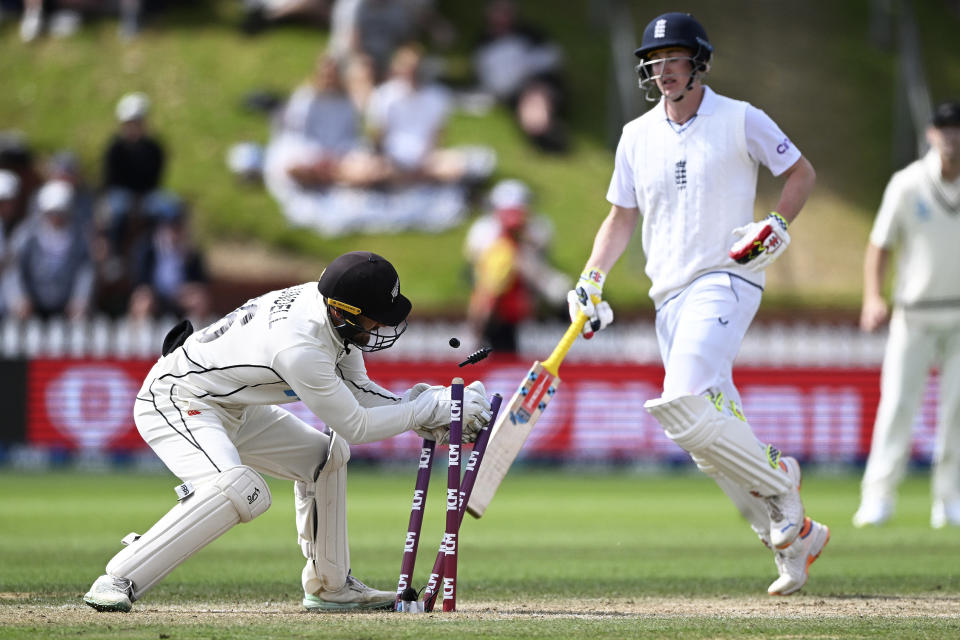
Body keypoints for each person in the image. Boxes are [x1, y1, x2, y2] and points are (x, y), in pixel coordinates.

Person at [565, 13, 822, 596]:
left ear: (698, 61)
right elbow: (620, 216)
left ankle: (782, 481)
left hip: (726, 278)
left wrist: (776, 222)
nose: (663, 70)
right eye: (655, 61)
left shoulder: (739, 118)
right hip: (668, 298)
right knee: (705, 441)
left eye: (674, 58)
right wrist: (592, 275)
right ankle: (794, 538)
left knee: (681, 398)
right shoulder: (636, 135)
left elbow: (801, 173)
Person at [82, 250, 492, 613]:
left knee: (325, 458)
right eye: (373, 318)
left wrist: (432, 410)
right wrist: (422, 409)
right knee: (242, 489)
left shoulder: (332, 314)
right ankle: (119, 577)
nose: (378, 327)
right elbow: (355, 424)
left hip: (234, 405)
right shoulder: (301, 346)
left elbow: (362, 394)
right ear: (343, 311)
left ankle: (331, 587)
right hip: (178, 399)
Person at [852, 100, 960, 529]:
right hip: (913, 314)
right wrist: (872, 299)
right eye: (943, 129)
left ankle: (949, 499)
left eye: (957, 129)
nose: (951, 137)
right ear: (931, 134)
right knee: (897, 406)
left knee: (956, 411)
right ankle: (878, 497)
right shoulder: (907, 184)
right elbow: (880, 245)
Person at [464, 179, 570, 352]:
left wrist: (520, 238)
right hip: (495, 287)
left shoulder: (537, 226)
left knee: (555, 288)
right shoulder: (483, 230)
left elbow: (541, 251)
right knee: (491, 284)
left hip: (526, 286)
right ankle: (475, 339)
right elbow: (478, 261)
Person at [4, 179, 95, 320]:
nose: (56, 217)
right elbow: (13, 269)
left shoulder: (79, 237)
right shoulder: (26, 235)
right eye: (52, 212)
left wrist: (81, 299)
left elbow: (85, 271)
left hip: (68, 309)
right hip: (31, 306)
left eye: (61, 212)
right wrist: (18, 297)